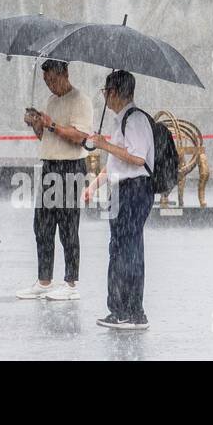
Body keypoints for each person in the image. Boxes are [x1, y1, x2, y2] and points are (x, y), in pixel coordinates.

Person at [81, 70, 154, 331]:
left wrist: (103, 145)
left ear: (114, 93)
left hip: (134, 191)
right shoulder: (122, 120)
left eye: (105, 92)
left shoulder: (135, 120)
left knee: (129, 251)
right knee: (119, 248)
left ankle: (133, 312)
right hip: (122, 190)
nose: (104, 97)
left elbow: (137, 159)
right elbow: (116, 164)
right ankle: (119, 309)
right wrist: (94, 185)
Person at [17, 59, 94, 302]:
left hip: (70, 167)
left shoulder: (80, 100)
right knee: (42, 225)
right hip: (50, 165)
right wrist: (36, 124)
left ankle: (71, 283)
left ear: (65, 73)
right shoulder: (51, 101)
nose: (50, 85)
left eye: (52, 79)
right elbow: (45, 136)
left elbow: (80, 136)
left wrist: (52, 125)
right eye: (46, 81)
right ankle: (44, 280)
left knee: (68, 227)